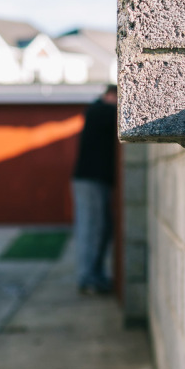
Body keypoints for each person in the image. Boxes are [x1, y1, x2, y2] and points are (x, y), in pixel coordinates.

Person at [71, 85, 118, 294]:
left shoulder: (99, 111)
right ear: (110, 96)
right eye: (119, 98)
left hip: (95, 181)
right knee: (92, 229)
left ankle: (95, 275)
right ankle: (88, 278)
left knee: (102, 229)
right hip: (90, 181)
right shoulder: (98, 111)